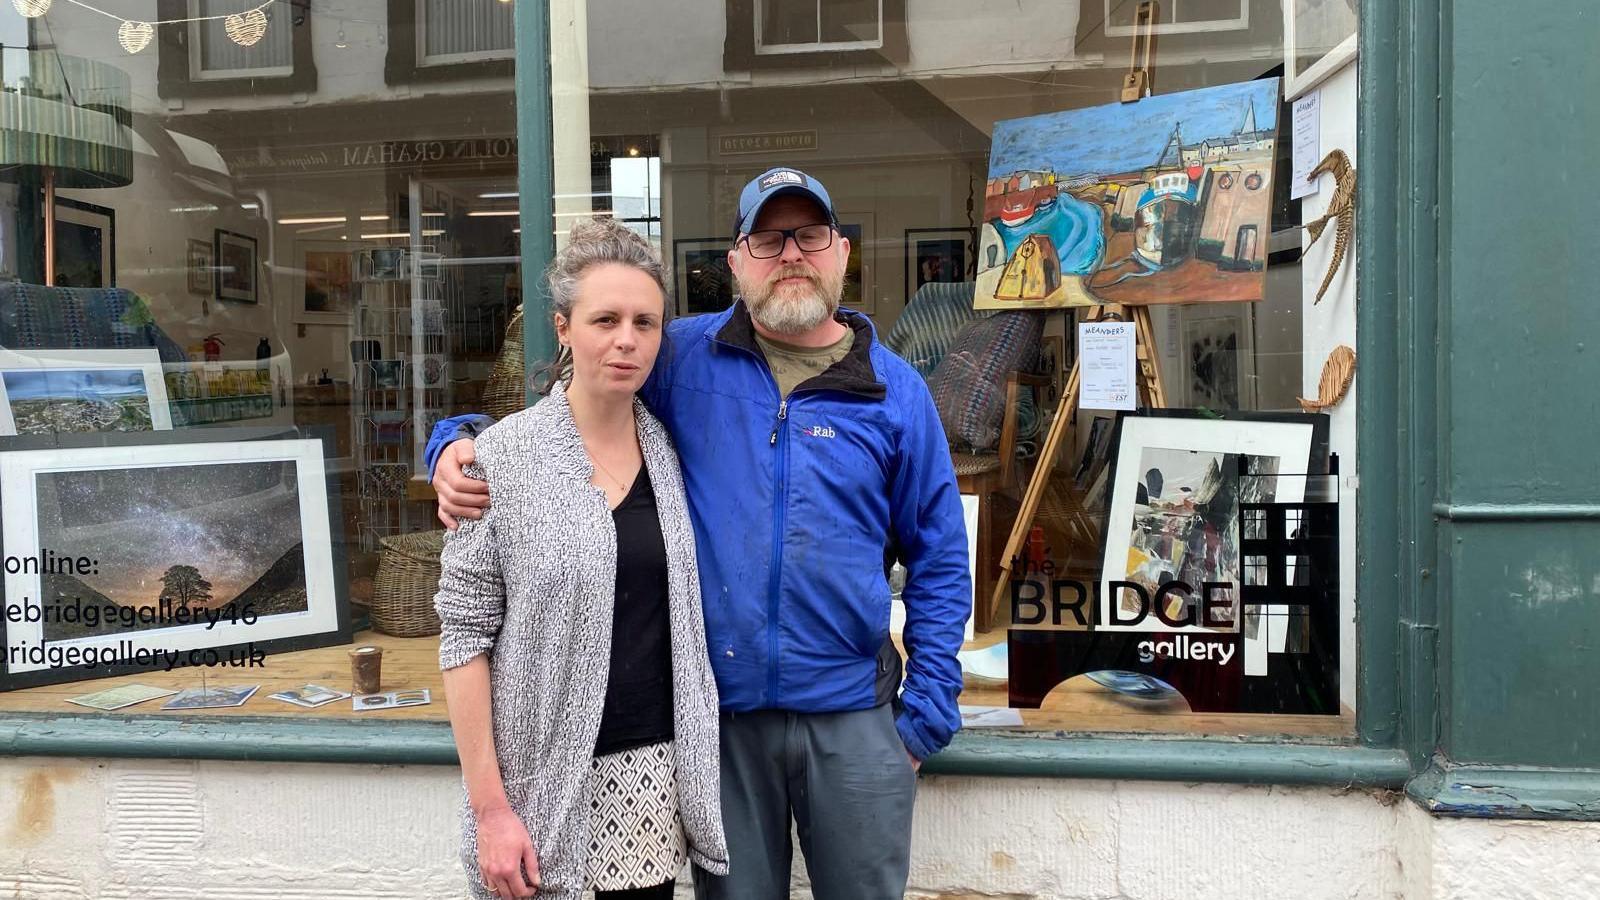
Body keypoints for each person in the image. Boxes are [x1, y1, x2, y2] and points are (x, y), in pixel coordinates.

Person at [430, 167, 969, 899]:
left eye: (809, 236)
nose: (791, 256)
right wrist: (456, 443)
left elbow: (939, 559)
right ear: (736, 262)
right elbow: (566, 409)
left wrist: (922, 720)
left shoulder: (896, 391)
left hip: (853, 719)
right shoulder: (680, 356)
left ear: (841, 251)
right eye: (769, 239)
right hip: (722, 726)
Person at [433, 218, 727, 900]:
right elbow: (463, 638)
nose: (626, 340)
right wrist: (490, 811)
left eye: (645, 322)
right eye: (605, 319)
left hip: (653, 780)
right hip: (540, 790)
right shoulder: (500, 459)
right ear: (564, 328)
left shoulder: (670, 454)